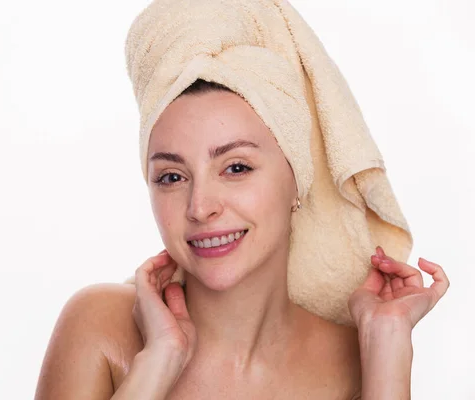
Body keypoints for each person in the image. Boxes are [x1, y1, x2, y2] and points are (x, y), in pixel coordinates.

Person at [34, 3, 450, 400]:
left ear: (296, 181)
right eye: (172, 176)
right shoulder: (99, 327)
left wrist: (387, 345)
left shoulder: (353, 364)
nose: (200, 207)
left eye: (236, 168)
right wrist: (157, 363)